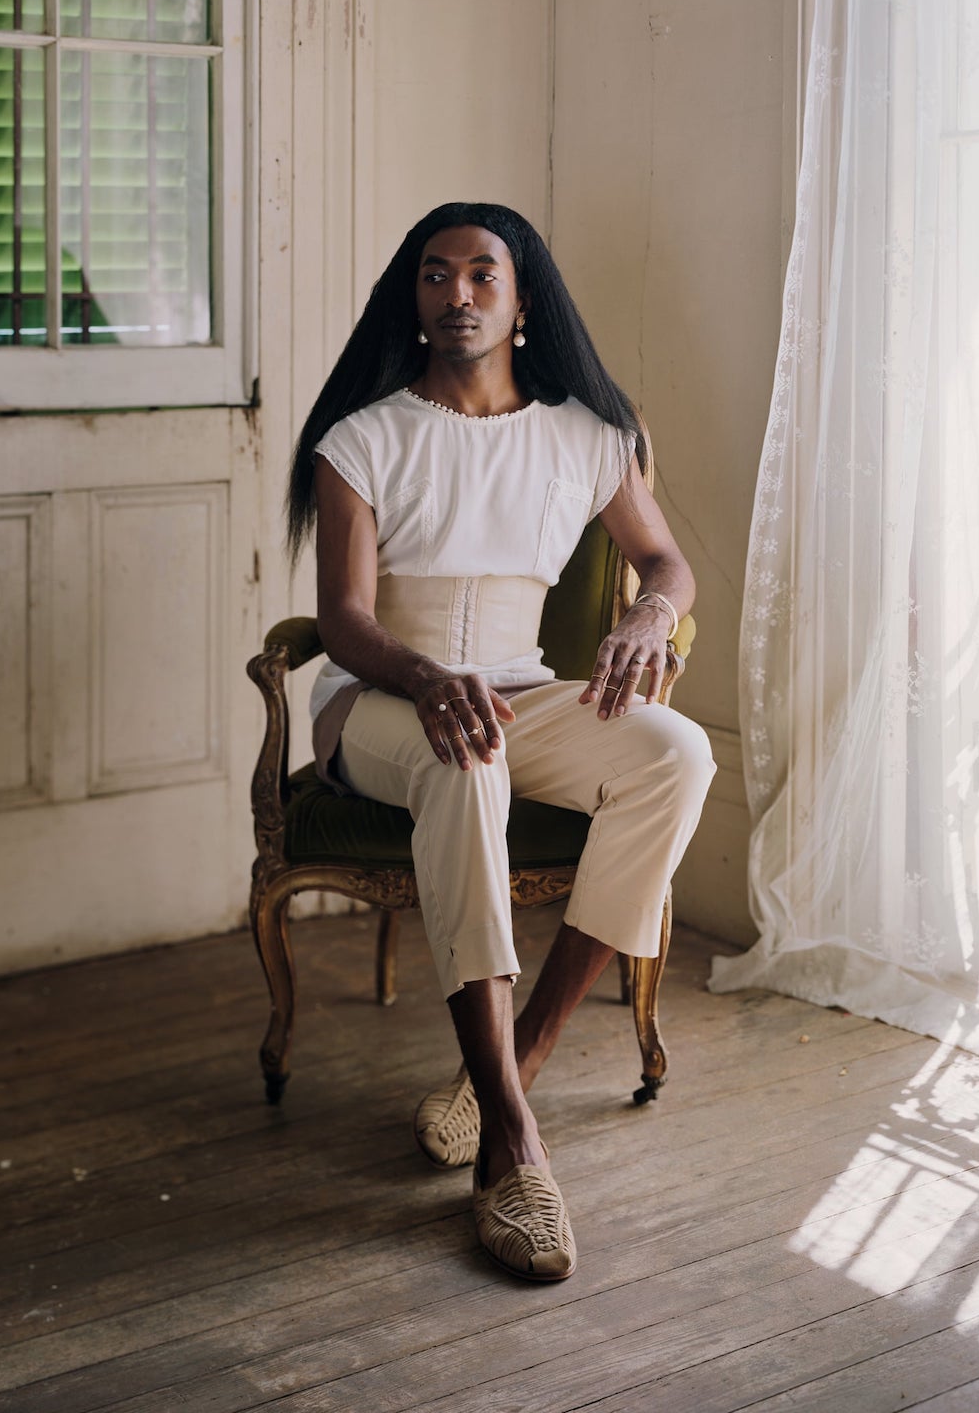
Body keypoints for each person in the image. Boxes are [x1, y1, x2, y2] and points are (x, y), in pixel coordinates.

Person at [286, 202, 716, 1282]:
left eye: (482, 274)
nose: (457, 294)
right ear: (413, 299)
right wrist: (425, 678)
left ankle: (512, 1064)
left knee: (676, 754)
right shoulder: (362, 439)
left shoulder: (589, 434)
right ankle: (514, 1145)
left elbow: (666, 564)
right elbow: (343, 618)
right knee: (464, 754)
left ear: (523, 303)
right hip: (379, 696)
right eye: (435, 275)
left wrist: (648, 614)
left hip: (517, 690)